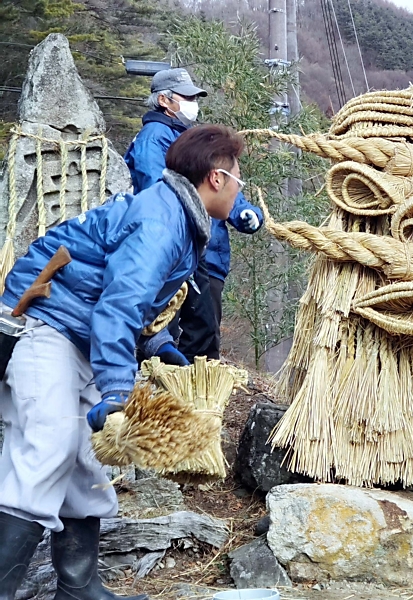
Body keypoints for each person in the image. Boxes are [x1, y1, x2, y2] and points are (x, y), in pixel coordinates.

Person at [0, 124, 245, 600]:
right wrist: (117, 391)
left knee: (86, 463)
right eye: (238, 177)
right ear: (216, 178)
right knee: (48, 446)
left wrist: (153, 347)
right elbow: (118, 305)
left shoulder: (176, 212)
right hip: (45, 325)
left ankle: (79, 588)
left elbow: (120, 290)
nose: (239, 188)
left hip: (77, 333)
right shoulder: (162, 221)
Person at [124, 68, 263, 361]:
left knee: (206, 329)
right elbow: (158, 192)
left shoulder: (193, 139)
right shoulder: (153, 139)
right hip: (178, 251)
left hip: (209, 253)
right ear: (164, 99)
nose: (193, 103)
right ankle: (171, 392)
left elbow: (219, 183)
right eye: (186, 97)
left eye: (193, 97)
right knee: (169, 329)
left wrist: (244, 212)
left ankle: (193, 390)